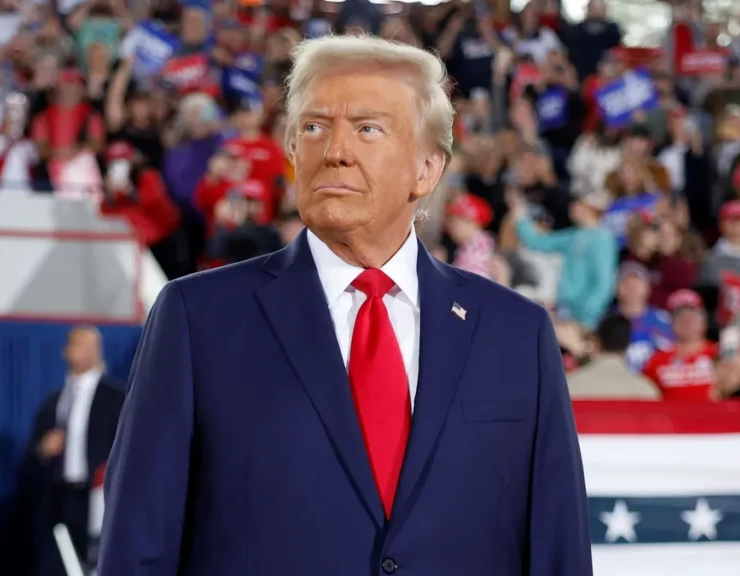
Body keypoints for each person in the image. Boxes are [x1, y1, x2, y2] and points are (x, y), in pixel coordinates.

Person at [99, 35, 592, 576]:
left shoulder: (515, 331)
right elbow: (137, 547)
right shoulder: (196, 317)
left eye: (367, 128)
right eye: (313, 127)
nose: (334, 150)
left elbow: (558, 549)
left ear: (426, 170)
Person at [22, 326, 125, 576]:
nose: (89, 352)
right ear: (66, 351)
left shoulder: (117, 397)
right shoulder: (54, 399)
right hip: (59, 496)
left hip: (99, 497)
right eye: (81, 345)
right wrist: (43, 448)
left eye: (93, 346)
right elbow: (34, 449)